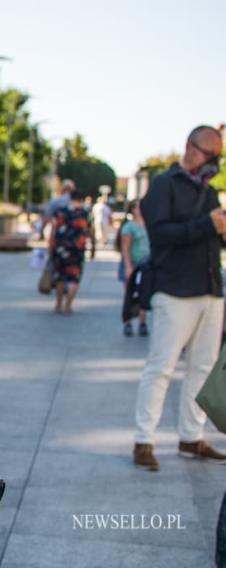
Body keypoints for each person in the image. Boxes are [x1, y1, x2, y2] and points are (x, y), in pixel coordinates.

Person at [132, 125, 226, 471]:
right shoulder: (163, 185)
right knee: (161, 367)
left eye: (218, 156)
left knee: (202, 367)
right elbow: (160, 235)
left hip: (210, 290)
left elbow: (214, 241)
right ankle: (144, 440)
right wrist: (206, 225)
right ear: (189, 147)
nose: (213, 161)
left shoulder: (211, 192)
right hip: (173, 290)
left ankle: (192, 436)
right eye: (208, 153)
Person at [48, 189, 94, 314]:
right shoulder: (85, 214)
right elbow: (91, 232)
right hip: (77, 249)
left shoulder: (60, 212)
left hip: (60, 248)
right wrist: (93, 248)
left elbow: (53, 231)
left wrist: (50, 247)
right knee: (74, 277)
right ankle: (68, 305)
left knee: (60, 276)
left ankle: (58, 303)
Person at [118, 199, 149, 336]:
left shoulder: (149, 224)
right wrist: (128, 266)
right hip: (133, 263)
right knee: (130, 294)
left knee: (144, 294)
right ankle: (128, 322)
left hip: (146, 263)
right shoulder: (129, 227)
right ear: (132, 210)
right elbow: (125, 248)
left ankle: (143, 322)